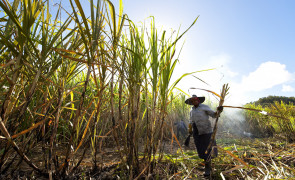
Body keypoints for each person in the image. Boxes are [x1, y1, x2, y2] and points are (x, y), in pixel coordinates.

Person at [185, 95, 223, 177]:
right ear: (191, 102)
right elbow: (191, 121)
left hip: (206, 131)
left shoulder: (204, 107)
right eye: (192, 100)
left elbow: (214, 115)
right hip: (197, 133)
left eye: (195, 99)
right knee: (201, 150)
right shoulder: (192, 110)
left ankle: (208, 168)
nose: (194, 101)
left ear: (198, 100)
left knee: (208, 149)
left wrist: (218, 111)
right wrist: (190, 128)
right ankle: (207, 164)